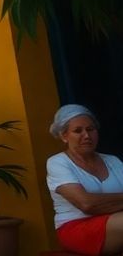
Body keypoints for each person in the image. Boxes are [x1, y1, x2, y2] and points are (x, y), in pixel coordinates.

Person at [46, 104, 123, 255]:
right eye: (77, 131)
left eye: (90, 129)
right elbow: (86, 204)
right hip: (77, 227)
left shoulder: (113, 161)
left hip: (115, 221)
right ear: (64, 136)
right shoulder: (58, 162)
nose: (86, 135)